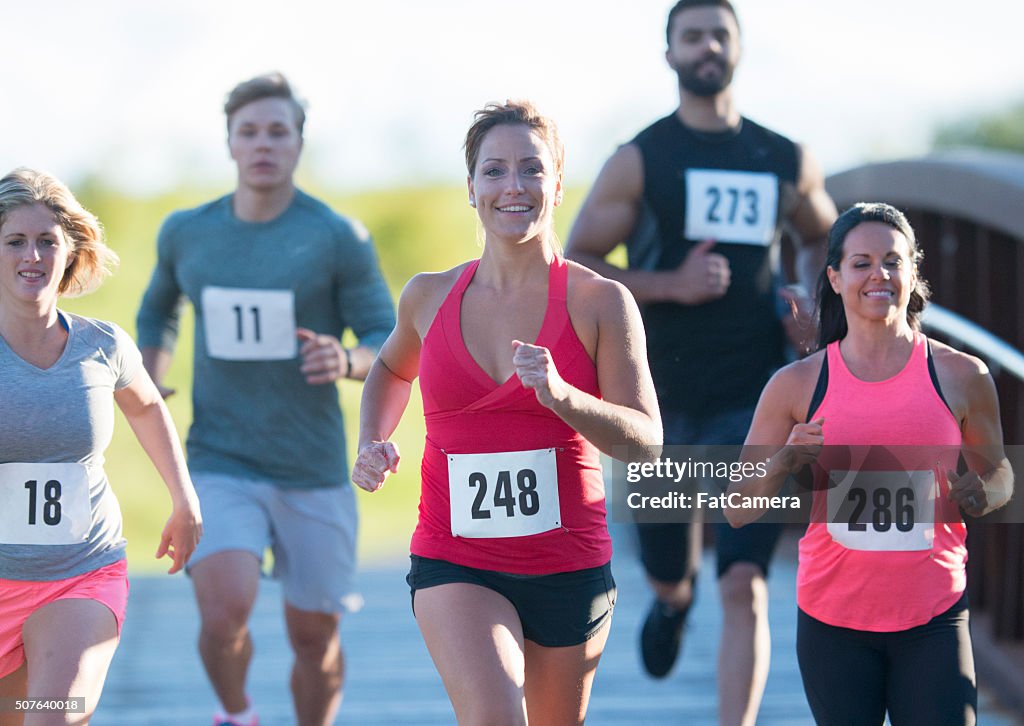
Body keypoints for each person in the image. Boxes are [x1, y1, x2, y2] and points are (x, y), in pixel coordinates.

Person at [564, 0, 838, 722]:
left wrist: (816, 302)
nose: (708, 46)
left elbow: (827, 238)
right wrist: (669, 285)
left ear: (739, 49)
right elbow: (579, 259)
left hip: (760, 396)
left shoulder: (783, 158)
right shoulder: (641, 158)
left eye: (720, 34)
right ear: (670, 54)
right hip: (660, 397)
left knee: (744, 583)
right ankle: (670, 602)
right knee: (669, 573)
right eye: (693, 35)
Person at [352, 100, 662, 725]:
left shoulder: (602, 301)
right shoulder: (428, 295)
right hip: (454, 556)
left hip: (569, 564)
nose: (513, 186)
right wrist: (372, 440)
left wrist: (563, 396)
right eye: (494, 171)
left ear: (557, 182)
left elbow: (646, 443)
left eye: (531, 168)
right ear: (471, 188)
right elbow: (388, 369)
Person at [135, 73, 396, 726]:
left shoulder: (339, 236)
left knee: (315, 637)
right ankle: (238, 714)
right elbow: (159, 309)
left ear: (299, 143)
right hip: (221, 458)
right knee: (223, 611)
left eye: (278, 131)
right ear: (228, 143)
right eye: (248, 131)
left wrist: (347, 359)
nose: (262, 145)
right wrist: (152, 374)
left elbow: (385, 337)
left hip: (312, 467)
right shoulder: (186, 232)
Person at [725, 202, 1014, 725]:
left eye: (892, 261)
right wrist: (787, 458)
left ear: (912, 273)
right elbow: (738, 509)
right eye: (861, 263)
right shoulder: (796, 386)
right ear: (835, 277)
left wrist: (981, 492)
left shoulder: (962, 376)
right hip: (833, 623)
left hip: (935, 615)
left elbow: (1000, 475)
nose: (878, 274)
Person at [0, 168, 203, 725]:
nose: (32, 256)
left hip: (80, 571)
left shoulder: (102, 345)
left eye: (48, 241)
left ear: (70, 253)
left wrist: (183, 499)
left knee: (52, 713)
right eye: (15, 240)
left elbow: (145, 405)